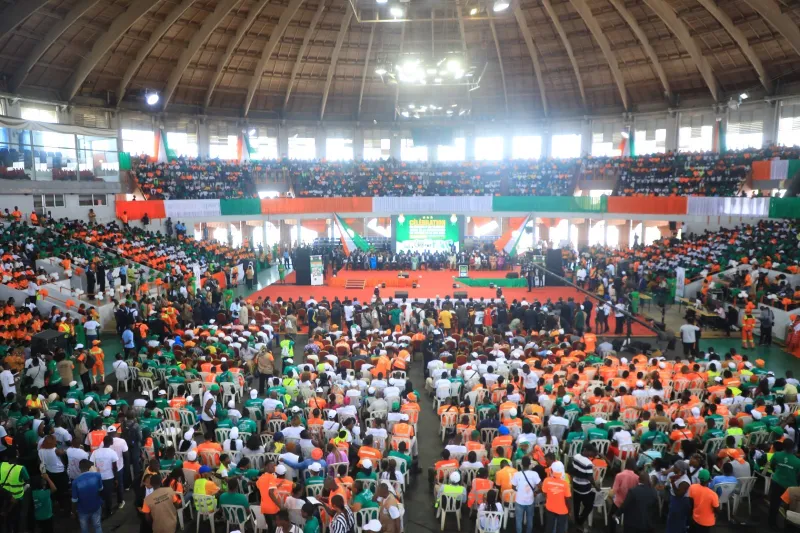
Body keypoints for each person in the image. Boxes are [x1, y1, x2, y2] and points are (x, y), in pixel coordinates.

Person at [769, 439, 800, 528]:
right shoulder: (797, 461)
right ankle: (788, 525)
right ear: (793, 448)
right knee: (789, 507)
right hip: (790, 487)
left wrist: (777, 472)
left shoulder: (777, 455)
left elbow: (772, 465)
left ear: (783, 446)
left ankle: (772, 524)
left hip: (776, 482)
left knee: (774, 504)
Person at [72, 459, 104, 533]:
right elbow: (101, 489)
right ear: (90, 467)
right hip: (96, 506)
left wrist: (73, 512)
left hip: (82, 510)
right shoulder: (97, 475)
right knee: (97, 526)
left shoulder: (75, 482)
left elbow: (74, 500)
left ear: (79, 468)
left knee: (84, 528)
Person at [511, 456, 540, 533]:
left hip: (519, 501)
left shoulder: (516, 474)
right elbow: (540, 485)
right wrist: (535, 492)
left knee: (518, 520)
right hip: (530, 501)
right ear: (530, 464)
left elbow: (513, 487)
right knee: (530, 519)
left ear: (521, 464)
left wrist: (519, 491)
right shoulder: (535, 474)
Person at [541, 461, 571, 533]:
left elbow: (544, 493)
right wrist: (569, 510)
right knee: (561, 528)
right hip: (562, 510)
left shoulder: (546, 481)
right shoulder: (565, 483)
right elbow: (567, 499)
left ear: (552, 470)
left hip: (550, 508)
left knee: (549, 527)